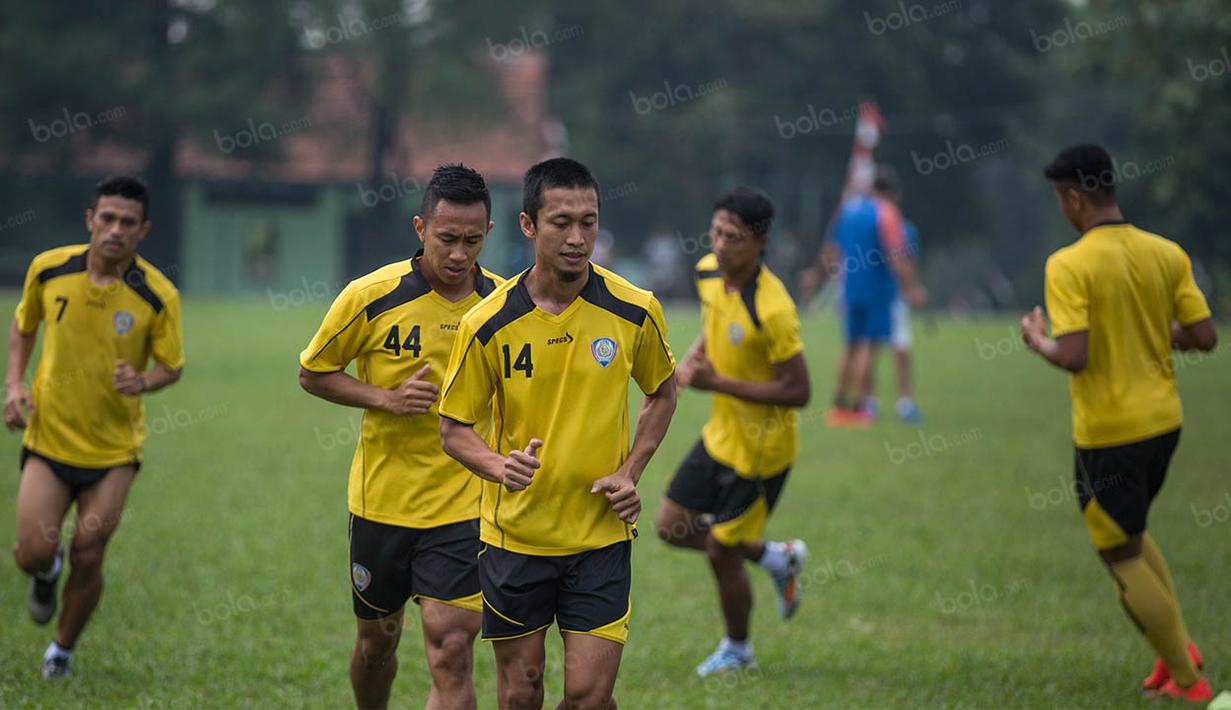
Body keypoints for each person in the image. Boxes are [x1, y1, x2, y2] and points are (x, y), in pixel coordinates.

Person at [439, 157, 678, 709]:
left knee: (589, 697)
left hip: (600, 539)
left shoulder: (635, 310)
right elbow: (454, 429)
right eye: (561, 222)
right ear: (528, 225)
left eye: (588, 222)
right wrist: (499, 466)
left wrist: (630, 470)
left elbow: (663, 392)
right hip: (515, 541)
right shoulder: (488, 323)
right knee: (521, 696)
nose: (577, 237)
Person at [298, 164, 502, 710]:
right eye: (447, 239)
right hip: (381, 502)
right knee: (376, 645)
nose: (460, 254)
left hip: (464, 505)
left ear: (489, 233)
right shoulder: (371, 296)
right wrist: (385, 398)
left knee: (453, 647)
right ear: (420, 228)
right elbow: (313, 372)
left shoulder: (503, 307)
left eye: (473, 240)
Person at [1021, 144, 1217, 703]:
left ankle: (1188, 680)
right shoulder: (1166, 252)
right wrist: (1152, 333)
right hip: (1164, 424)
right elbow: (1204, 336)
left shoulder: (1069, 263)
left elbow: (1074, 355)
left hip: (1110, 432)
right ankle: (1176, 648)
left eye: (1061, 199)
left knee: (1118, 553)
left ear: (1074, 197)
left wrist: (1039, 341)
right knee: (1132, 533)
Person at [6, 176, 184, 679]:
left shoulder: (157, 295)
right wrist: (14, 386)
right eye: (106, 218)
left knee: (90, 551)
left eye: (127, 222)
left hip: (113, 451)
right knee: (32, 552)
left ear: (143, 230)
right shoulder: (49, 269)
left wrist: (142, 380)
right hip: (50, 438)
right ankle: (45, 573)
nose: (115, 230)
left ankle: (61, 650)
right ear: (90, 219)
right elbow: (23, 326)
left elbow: (172, 367)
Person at [657, 187, 811, 677]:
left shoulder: (774, 310)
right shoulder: (707, 272)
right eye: (717, 232)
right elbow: (713, 319)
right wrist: (697, 354)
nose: (720, 245)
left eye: (734, 237)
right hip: (721, 434)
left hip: (762, 453)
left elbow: (799, 391)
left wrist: (714, 381)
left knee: (721, 552)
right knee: (669, 525)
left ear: (760, 242)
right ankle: (774, 557)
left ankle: (738, 651)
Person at [804, 168, 926, 428]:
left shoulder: (847, 211)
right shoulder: (886, 213)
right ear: (891, 193)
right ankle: (860, 408)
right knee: (868, 347)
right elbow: (896, 255)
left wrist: (816, 276)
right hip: (878, 291)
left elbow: (831, 249)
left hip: (850, 290)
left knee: (849, 346)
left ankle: (839, 405)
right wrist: (911, 287)